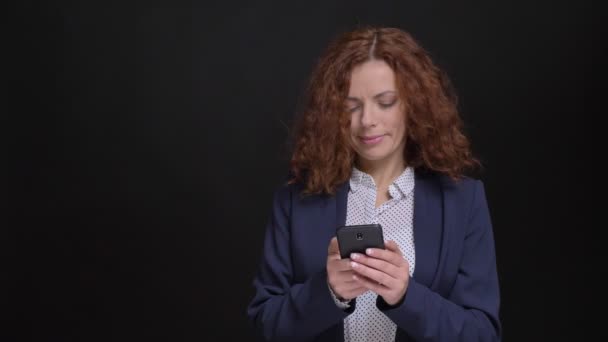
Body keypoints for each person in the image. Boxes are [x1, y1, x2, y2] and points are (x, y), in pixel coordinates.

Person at [246, 26, 501, 342]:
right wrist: (326, 291)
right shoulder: (296, 200)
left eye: (385, 101)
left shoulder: (463, 200)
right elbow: (264, 325)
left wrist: (407, 296)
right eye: (351, 105)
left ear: (414, 104)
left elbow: (482, 335)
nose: (367, 119)